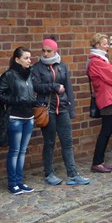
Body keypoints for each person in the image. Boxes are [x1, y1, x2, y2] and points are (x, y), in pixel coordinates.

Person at [31, 38, 90, 186]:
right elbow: (36, 86)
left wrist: (71, 109)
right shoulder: (37, 68)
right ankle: (49, 173)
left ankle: (73, 173)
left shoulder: (62, 66)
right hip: (47, 109)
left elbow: (68, 88)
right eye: (43, 51)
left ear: (55, 51)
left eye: (49, 51)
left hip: (62, 108)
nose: (45, 54)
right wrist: (54, 86)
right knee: (49, 142)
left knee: (67, 142)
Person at [0, 47, 36, 196]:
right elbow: (0, 94)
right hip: (15, 117)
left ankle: (20, 181)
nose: (29, 61)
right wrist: (16, 100)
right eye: (26, 58)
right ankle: (12, 183)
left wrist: (34, 101)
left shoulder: (30, 74)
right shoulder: (9, 75)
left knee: (23, 151)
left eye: (30, 58)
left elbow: (32, 91)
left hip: (29, 117)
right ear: (17, 59)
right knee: (14, 151)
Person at [87, 33, 112, 173]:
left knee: (108, 130)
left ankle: (100, 161)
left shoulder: (100, 60)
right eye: (104, 44)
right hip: (106, 98)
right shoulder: (97, 61)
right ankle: (97, 162)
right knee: (106, 130)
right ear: (97, 45)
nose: (107, 46)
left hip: (108, 97)